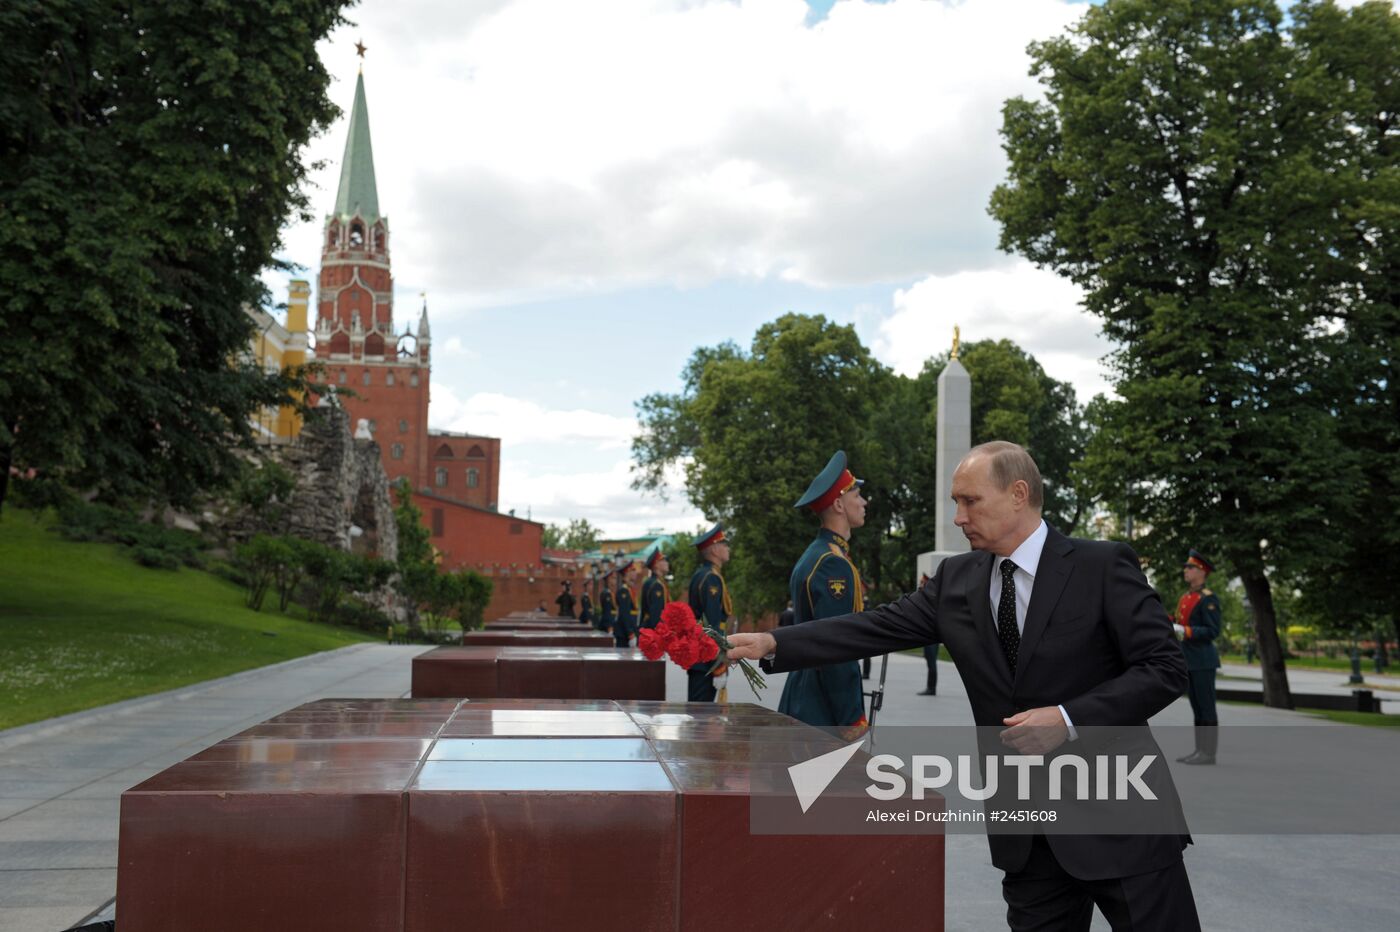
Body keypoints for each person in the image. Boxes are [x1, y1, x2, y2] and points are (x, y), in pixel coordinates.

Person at [727, 441, 1197, 931]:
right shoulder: (957, 578)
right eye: (956, 502)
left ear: (1018, 494)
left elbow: (1164, 668)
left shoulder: (1101, 565)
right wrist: (773, 642)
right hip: (1028, 837)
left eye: (970, 501)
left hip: (1123, 820)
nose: (958, 517)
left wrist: (1068, 719)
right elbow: (874, 626)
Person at [775, 450, 869, 733]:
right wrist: (851, 716)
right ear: (839, 504)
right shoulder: (832, 564)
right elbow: (836, 645)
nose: (864, 502)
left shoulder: (816, 554)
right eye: (857, 496)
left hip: (805, 694)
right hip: (821, 706)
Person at [1172, 549, 1221, 765]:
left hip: (1203, 660)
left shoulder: (1208, 599)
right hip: (1190, 660)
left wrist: (1186, 631)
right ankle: (1199, 750)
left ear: (1202, 571)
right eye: (1186, 567)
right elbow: (1179, 621)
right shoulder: (1186, 597)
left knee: (1206, 707)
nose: (1186, 570)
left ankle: (1208, 753)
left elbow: (1212, 630)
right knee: (1197, 707)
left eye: (1190, 567)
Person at [687, 523, 733, 702]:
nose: (728, 548)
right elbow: (711, 624)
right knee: (701, 711)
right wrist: (718, 663)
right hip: (706, 659)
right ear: (714, 549)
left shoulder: (702, 574)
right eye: (724, 544)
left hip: (700, 656)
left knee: (698, 710)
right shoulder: (711, 578)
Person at [917, 572, 939, 696]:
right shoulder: (929, 597)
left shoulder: (932, 598)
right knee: (929, 661)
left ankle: (931, 688)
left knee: (931, 662)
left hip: (932, 636)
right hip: (928, 636)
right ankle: (930, 687)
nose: (920, 584)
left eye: (922, 582)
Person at [638, 549, 670, 631]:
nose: (667, 563)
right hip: (653, 631)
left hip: (647, 629)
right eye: (663, 560)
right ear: (656, 564)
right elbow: (656, 614)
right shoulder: (657, 585)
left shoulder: (651, 582)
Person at [614, 562, 639, 648]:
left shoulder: (629, 589)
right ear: (627, 573)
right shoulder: (623, 591)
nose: (635, 573)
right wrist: (630, 634)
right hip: (624, 633)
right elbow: (625, 613)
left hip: (629, 631)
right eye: (633, 570)